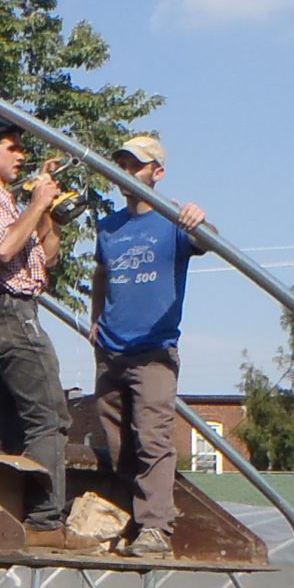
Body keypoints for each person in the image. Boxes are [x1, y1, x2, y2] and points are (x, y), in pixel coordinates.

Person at [0, 114, 72, 538]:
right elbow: (4, 249)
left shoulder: (5, 204)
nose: (21, 155)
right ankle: (46, 520)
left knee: (6, 426)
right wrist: (37, 203)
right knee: (48, 419)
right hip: (9, 315)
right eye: (12, 148)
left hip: (5, 316)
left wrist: (51, 214)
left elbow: (46, 257)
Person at [90, 134, 210, 560]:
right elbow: (101, 275)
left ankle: (156, 528)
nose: (127, 172)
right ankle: (127, 518)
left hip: (155, 350)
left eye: (135, 165)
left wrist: (198, 219)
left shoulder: (172, 221)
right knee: (115, 439)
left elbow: (206, 239)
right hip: (112, 349)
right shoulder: (109, 226)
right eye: (122, 163)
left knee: (154, 437)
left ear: (156, 173)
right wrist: (95, 319)